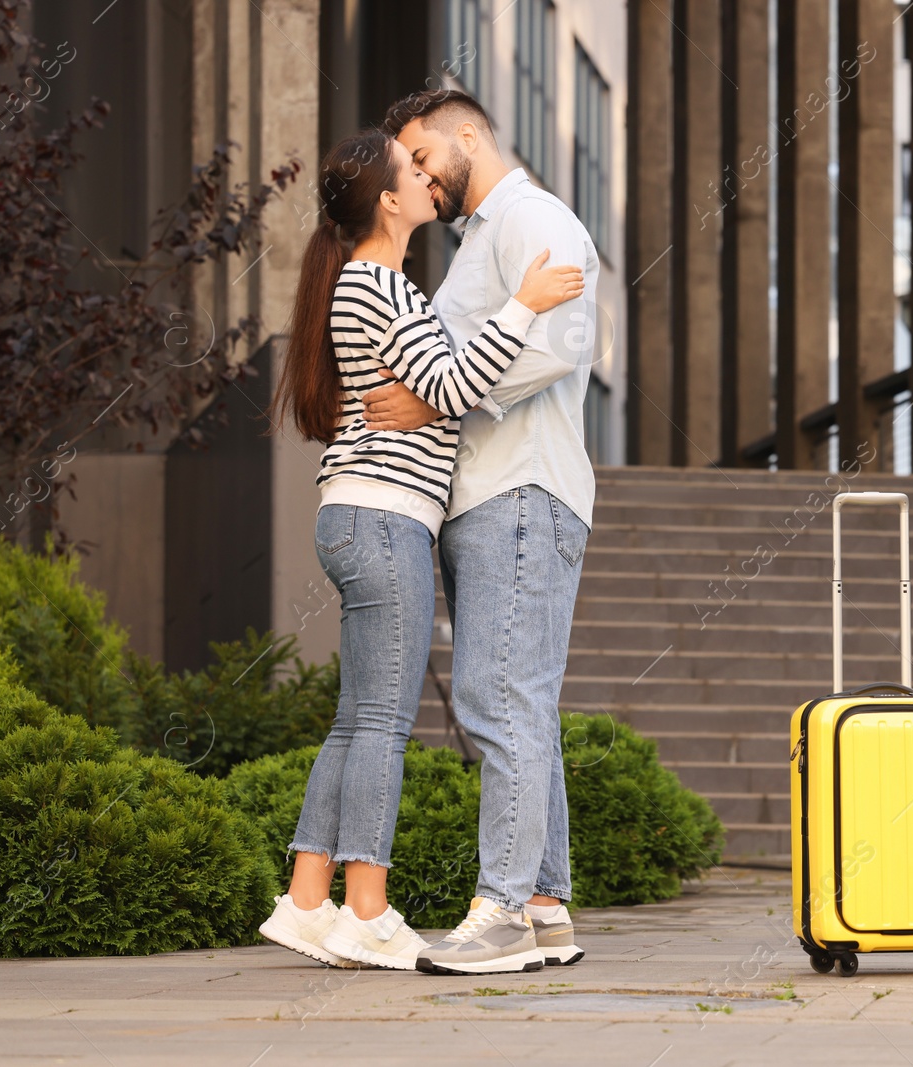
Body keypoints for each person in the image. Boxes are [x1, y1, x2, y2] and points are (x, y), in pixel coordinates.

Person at [256, 127, 583, 971]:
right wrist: (527, 303)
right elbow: (452, 388)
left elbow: (433, 387)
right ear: (389, 200)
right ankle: (367, 911)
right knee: (380, 724)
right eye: (412, 169)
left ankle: (304, 899)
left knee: (355, 719)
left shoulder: (376, 286)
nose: (428, 178)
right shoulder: (379, 288)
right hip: (387, 519)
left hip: (367, 518)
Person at [360, 89, 598, 976]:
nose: (417, 177)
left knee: (498, 700)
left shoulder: (532, 216)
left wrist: (437, 394)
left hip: (521, 490)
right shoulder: (487, 236)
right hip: (496, 494)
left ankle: (498, 913)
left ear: (468, 136)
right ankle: (541, 902)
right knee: (520, 699)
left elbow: (562, 342)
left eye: (423, 159)